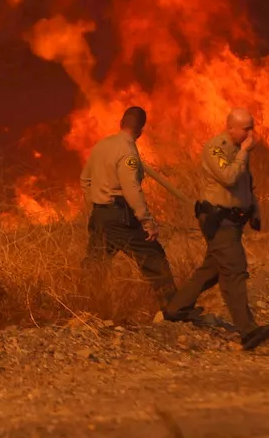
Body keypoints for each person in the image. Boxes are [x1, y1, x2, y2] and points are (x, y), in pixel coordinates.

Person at [165, 108, 269, 350]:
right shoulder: (216, 148)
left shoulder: (239, 152)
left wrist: (254, 212)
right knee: (234, 269)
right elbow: (228, 177)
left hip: (234, 221)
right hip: (219, 220)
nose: (250, 133)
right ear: (231, 127)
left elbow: (246, 186)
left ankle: (176, 308)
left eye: (252, 127)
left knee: (213, 268)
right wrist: (244, 153)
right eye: (246, 128)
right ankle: (248, 331)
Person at [80, 106, 191, 318]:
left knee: (95, 263)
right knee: (153, 257)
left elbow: (85, 179)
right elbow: (131, 189)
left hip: (100, 215)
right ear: (141, 130)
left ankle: (86, 309)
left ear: (121, 122)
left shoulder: (101, 145)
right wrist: (147, 221)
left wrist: (97, 201)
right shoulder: (128, 152)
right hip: (121, 217)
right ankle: (174, 309)